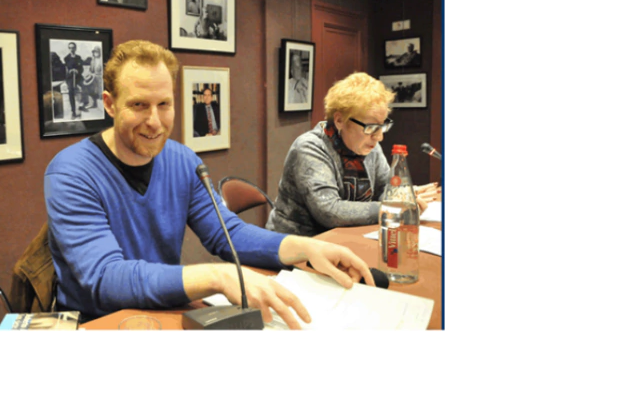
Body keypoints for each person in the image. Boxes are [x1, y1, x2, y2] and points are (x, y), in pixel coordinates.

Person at [44, 40, 375, 328]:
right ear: (109, 104)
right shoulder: (72, 172)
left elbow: (228, 233)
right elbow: (105, 278)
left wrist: (306, 248)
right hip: (100, 322)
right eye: (138, 105)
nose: (154, 122)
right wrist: (219, 276)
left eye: (164, 104)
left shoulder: (183, 161)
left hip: (164, 310)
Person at [266, 71, 440, 237]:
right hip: (297, 243)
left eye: (382, 126)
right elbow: (329, 211)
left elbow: (383, 189)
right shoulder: (310, 148)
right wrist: (394, 207)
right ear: (340, 120)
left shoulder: (369, 145)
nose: (379, 137)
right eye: (371, 127)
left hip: (343, 237)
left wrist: (402, 195)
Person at [62, 42, 84, 119]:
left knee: (85, 86)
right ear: (69, 48)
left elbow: (81, 68)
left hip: (78, 77)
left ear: (75, 48)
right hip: (70, 77)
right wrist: (70, 71)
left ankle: (82, 104)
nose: (72, 49)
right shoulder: (66, 58)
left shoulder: (78, 57)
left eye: (73, 47)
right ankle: (73, 111)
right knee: (71, 90)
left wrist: (77, 71)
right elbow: (65, 69)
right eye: (70, 48)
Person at [80, 46, 104, 112]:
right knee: (88, 87)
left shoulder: (102, 60)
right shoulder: (93, 61)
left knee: (99, 88)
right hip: (94, 77)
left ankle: (99, 98)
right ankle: (90, 103)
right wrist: (89, 75)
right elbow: (91, 70)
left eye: (97, 52)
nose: (96, 53)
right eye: (95, 52)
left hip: (101, 77)